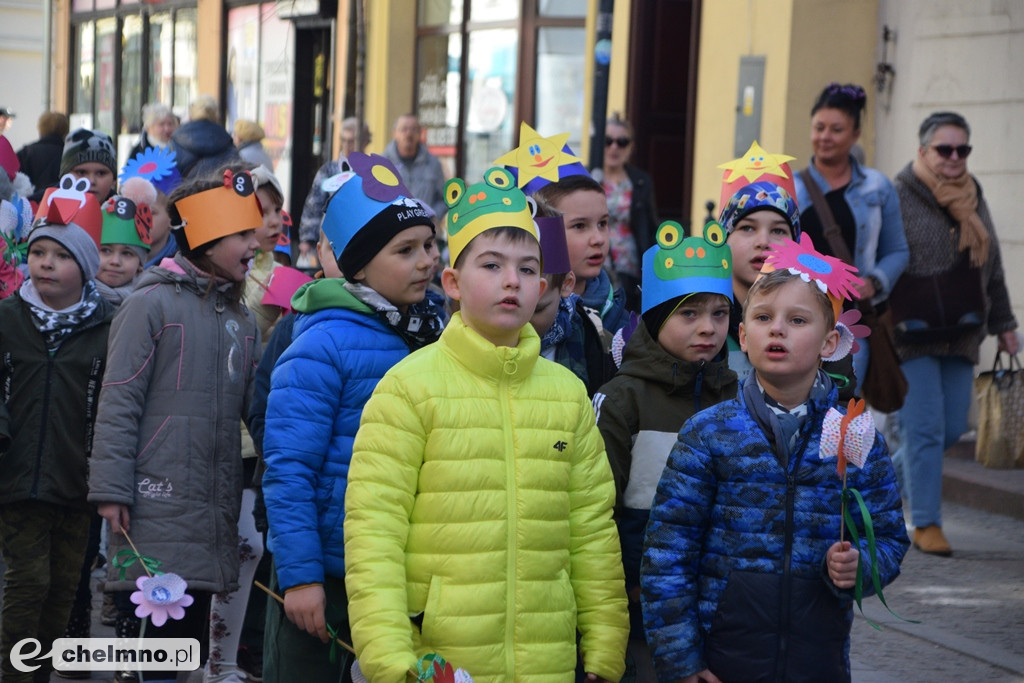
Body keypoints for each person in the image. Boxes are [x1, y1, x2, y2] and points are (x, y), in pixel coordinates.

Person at [343, 166, 629, 682]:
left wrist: (607, 647)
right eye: (492, 265)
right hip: (438, 662)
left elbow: (591, 531)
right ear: (451, 282)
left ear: (545, 285)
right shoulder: (409, 388)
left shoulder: (566, 394)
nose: (511, 281)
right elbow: (374, 533)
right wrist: (388, 657)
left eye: (526, 268)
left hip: (547, 662)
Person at [640, 235, 909, 683]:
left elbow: (889, 536)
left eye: (797, 319)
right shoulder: (709, 432)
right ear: (744, 337)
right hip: (724, 657)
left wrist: (862, 564)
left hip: (817, 660)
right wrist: (681, 659)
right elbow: (668, 553)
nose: (777, 329)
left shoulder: (853, 433)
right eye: (763, 318)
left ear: (829, 343)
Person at [261, 153, 442, 682]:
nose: (426, 261)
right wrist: (300, 578)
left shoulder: (434, 333)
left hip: (396, 574)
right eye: (405, 250)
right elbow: (290, 469)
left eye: (429, 245)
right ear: (358, 265)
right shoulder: (322, 344)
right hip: (326, 576)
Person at [88, 169, 263, 683]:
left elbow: (250, 407)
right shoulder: (151, 304)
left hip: (209, 508)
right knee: (157, 645)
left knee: (188, 641)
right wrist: (111, 489)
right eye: (242, 234)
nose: (255, 244)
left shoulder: (240, 319)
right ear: (206, 237)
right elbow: (119, 400)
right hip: (152, 502)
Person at [593, 218, 737, 680]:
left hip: (721, 606)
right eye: (689, 314)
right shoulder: (623, 399)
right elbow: (600, 506)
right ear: (656, 318)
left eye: (720, 314)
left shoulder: (737, 399)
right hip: (641, 604)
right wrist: (628, 586)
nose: (708, 328)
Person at [891, 111, 1019, 557]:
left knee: (948, 429)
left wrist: (1004, 325)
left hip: (963, 331)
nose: (954, 158)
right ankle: (925, 524)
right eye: (944, 149)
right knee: (923, 428)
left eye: (962, 149)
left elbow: (993, 265)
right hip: (911, 332)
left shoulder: (972, 195)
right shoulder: (897, 195)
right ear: (923, 151)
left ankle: (883, 481)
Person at [0, 211, 113, 683]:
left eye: (62, 256)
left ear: (85, 268)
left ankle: (39, 674)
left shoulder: (108, 326)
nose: (46, 263)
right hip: (17, 476)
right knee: (29, 583)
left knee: (64, 588)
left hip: (76, 479)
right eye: (39, 252)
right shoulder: (7, 317)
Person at [793, 82, 908, 388]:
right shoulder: (790, 187)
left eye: (836, 129)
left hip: (850, 322)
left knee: (840, 413)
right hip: (796, 317)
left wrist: (875, 282)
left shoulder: (877, 187)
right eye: (819, 128)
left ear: (855, 135)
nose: (824, 137)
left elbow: (898, 250)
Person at [595, 113, 659, 311]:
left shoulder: (640, 181)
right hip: (596, 260)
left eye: (622, 142)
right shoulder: (589, 177)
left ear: (630, 147)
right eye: (608, 141)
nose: (614, 147)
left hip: (629, 265)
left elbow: (650, 225)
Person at [297, 117, 372, 250]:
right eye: (344, 140)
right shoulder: (329, 170)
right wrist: (307, 240)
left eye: (352, 141)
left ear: (365, 142)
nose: (347, 146)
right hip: (331, 243)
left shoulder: (373, 171)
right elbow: (313, 206)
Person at [94, 177, 156, 306]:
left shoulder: (152, 301)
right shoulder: (71, 296)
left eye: (127, 253)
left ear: (140, 263)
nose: (115, 261)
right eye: (105, 250)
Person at [383, 113, 446, 219]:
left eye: (413, 130)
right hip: (393, 230)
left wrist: (431, 216)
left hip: (425, 228)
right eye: (404, 129)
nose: (409, 134)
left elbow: (443, 200)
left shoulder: (433, 164)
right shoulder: (383, 165)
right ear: (394, 134)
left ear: (420, 133)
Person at [170, 95, 240, 180]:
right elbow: (236, 173)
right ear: (216, 115)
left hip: (185, 192)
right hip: (218, 192)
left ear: (191, 114)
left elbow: (168, 178)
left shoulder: (176, 140)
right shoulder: (227, 142)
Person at [16, 111, 70, 203]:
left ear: (41, 129)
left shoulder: (25, 153)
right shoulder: (69, 155)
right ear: (65, 131)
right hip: (60, 204)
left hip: (29, 205)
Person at [61, 128, 118, 202]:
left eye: (101, 173)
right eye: (81, 172)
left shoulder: (128, 212)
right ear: (64, 176)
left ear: (113, 180)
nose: (91, 181)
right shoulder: (44, 210)